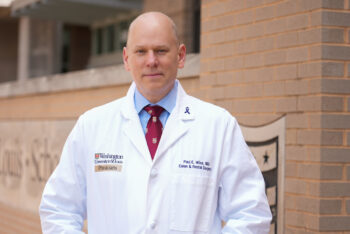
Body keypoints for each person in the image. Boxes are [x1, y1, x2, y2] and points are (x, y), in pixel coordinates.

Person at [39, 12, 272, 234]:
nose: (151, 61)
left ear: (180, 56)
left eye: (161, 50)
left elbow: (251, 214)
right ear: (126, 58)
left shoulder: (218, 126)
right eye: (141, 51)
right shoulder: (91, 126)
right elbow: (59, 209)